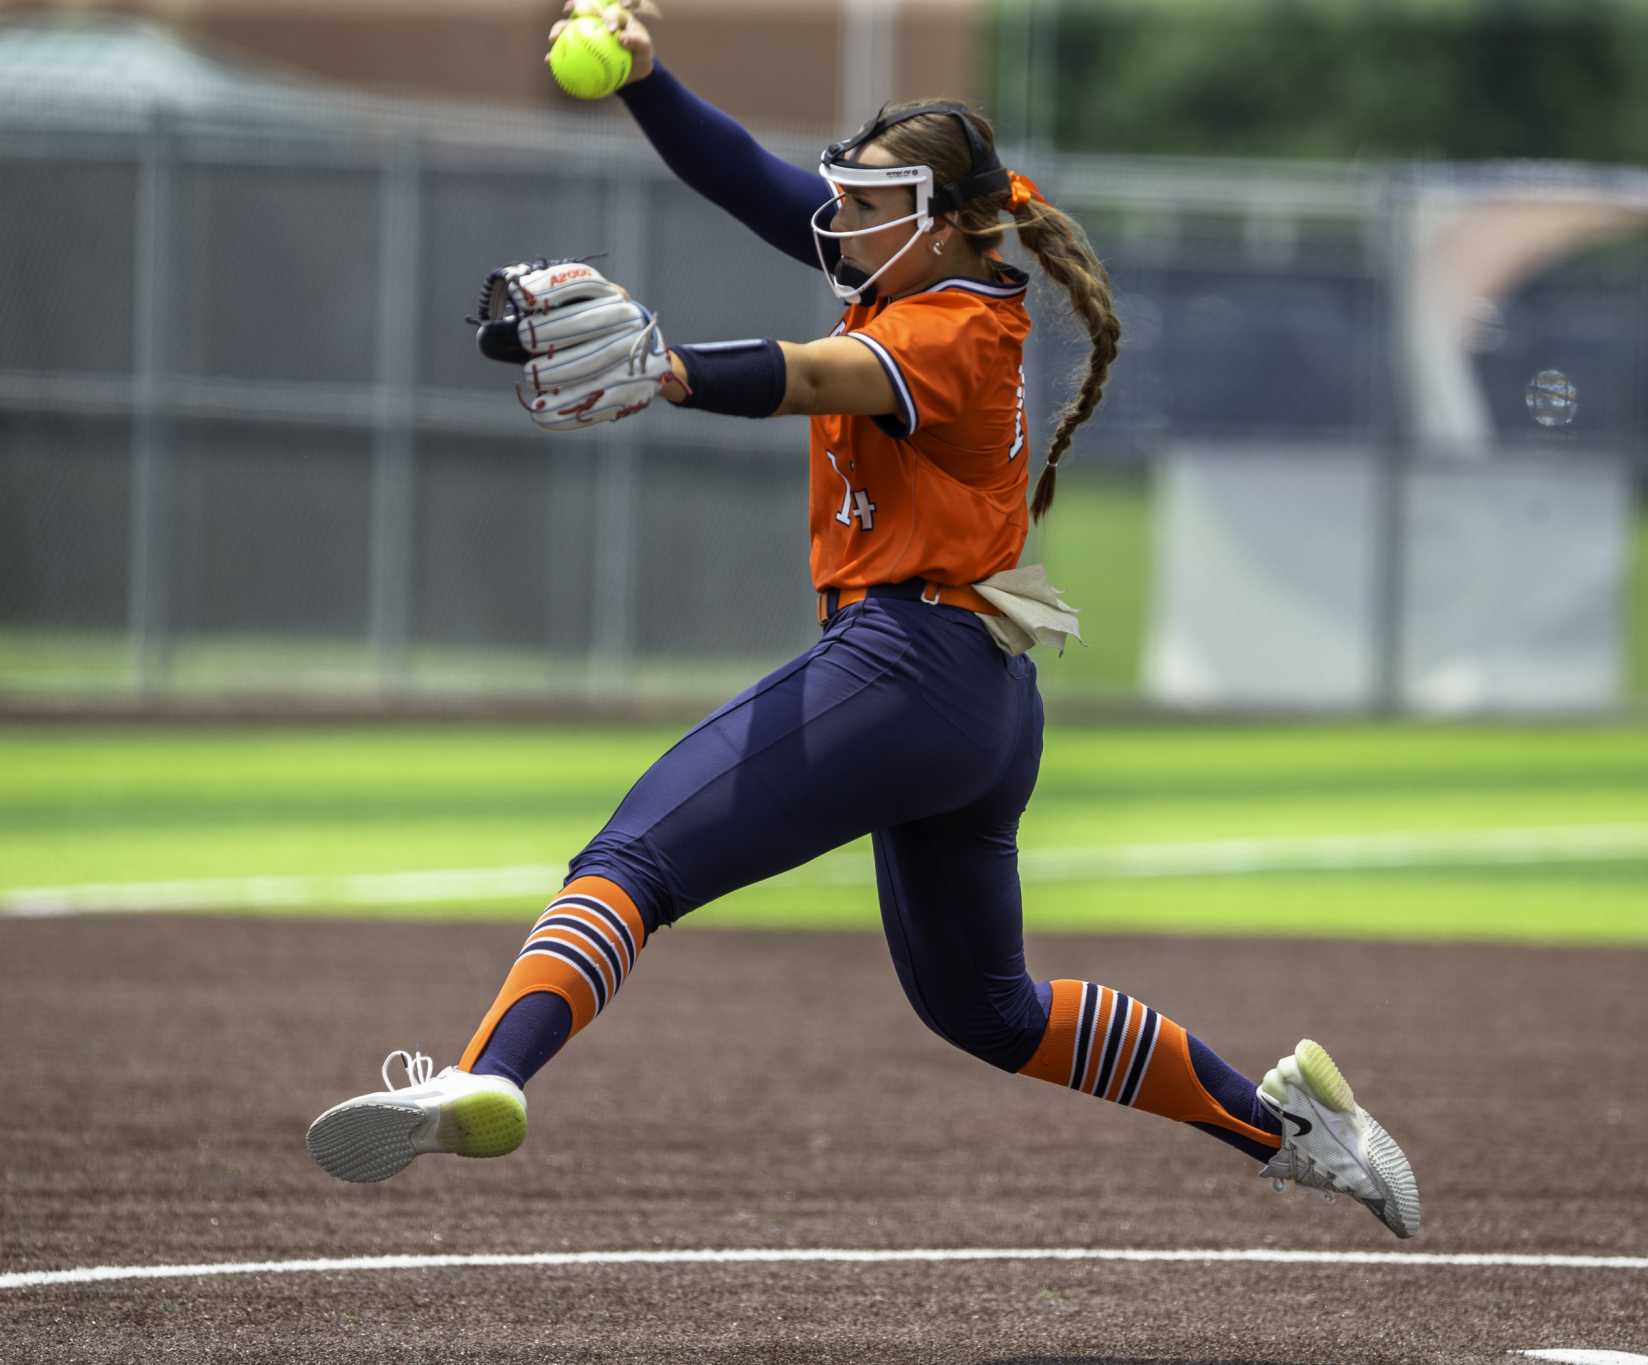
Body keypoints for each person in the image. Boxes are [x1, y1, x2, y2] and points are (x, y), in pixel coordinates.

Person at [306, 0, 1419, 1240]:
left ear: (939, 223)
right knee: (985, 1010)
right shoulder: (929, 269)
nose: (834, 215)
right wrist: (644, 78)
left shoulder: (950, 329)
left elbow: (814, 375)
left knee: (630, 861)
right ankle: (1289, 1129)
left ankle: (490, 1071)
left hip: (909, 668)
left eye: (866, 200)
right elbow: (746, 180)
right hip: (982, 703)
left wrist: (671, 371)